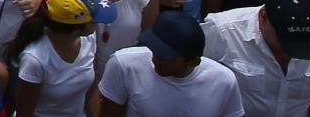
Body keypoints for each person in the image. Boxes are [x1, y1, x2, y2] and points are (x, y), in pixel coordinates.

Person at [95, 6, 242, 117]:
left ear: (193, 61)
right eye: (154, 49)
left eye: (165, 56)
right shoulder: (124, 64)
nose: (155, 59)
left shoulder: (224, 81)